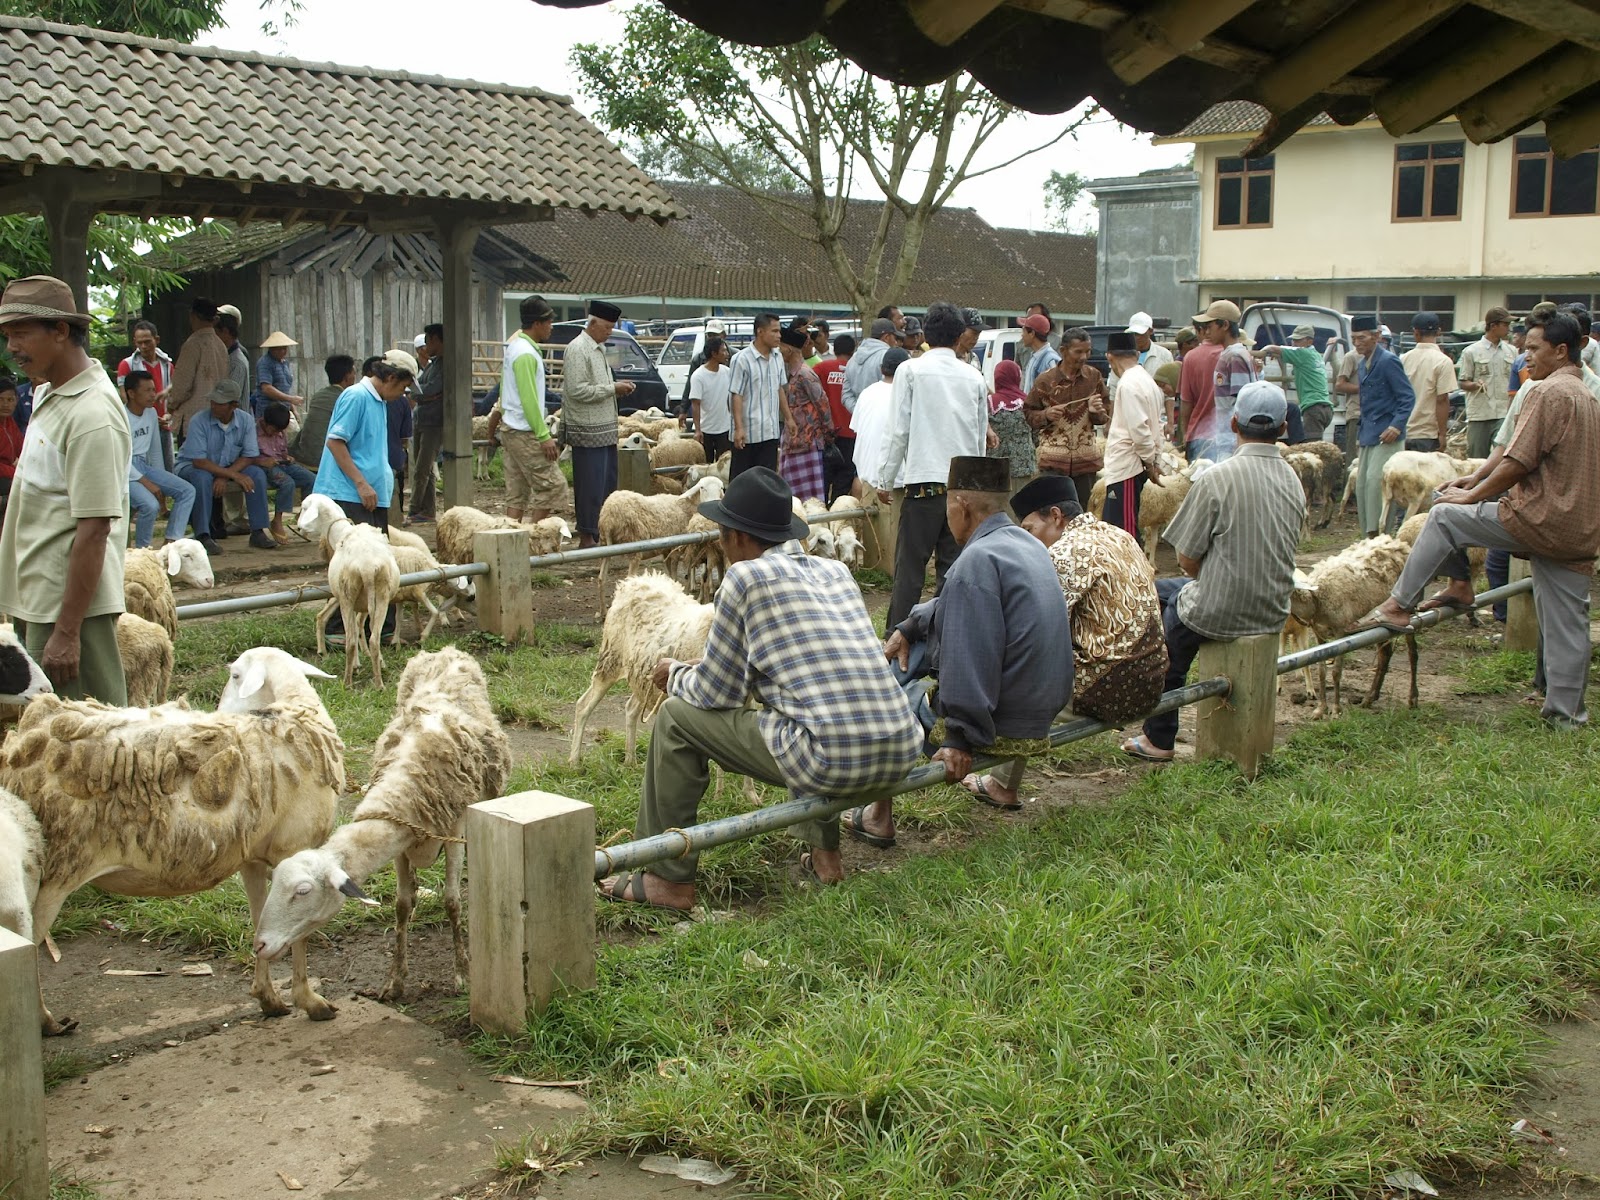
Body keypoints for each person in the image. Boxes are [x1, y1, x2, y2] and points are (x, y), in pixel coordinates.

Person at [599, 467, 923, 908]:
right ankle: (825, 859)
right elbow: (808, 669)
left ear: (736, 536)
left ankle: (666, 878)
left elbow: (718, 695)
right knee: (809, 705)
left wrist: (675, 674)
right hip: (899, 749)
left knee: (675, 717)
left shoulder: (743, 579)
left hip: (834, 760)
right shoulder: (836, 574)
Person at [1361, 314, 1598, 728]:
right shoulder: (1588, 396)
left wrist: (1470, 494)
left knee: (1445, 516)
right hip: (1578, 527)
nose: (1526, 356)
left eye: (1534, 349)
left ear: (1561, 351)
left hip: (1539, 518)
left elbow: (1518, 461)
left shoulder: (1548, 392)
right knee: (1568, 623)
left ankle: (1403, 603)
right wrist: (1477, 478)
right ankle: (1567, 717)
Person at [848, 456, 1072, 841]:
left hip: (1006, 723)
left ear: (960, 506)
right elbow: (954, 605)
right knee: (909, 652)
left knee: (883, 699)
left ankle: (878, 815)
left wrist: (957, 737)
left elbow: (972, 655)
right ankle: (879, 805)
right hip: (1042, 708)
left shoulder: (976, 561)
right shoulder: (1024, 544)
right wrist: (910, 625)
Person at [1122, 381, 1305, 762]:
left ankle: (1159, 737)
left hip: (1221, 609)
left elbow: (1187, 560)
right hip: (1273, 606)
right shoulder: (1293, 480)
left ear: (1234, 423)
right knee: (1159, 591)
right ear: (1283, 429)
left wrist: (1220, 572)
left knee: (1167, 639)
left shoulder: (1217, 478)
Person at [0, 275, 131, 703]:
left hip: (67, 608)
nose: (11, 347)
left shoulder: (92, 414)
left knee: (89, 745)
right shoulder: (48, 395)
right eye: (7, 335)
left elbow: (94, 530)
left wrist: (68, 631)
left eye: (20, 333)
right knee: (49, 746)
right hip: (40, 598)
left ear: (60, 331)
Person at [1012, 475, 1167, 728]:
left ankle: (992, 768)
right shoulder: (1121, 536)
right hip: (1152, 682)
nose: (1029, 540)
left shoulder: (1063, 552)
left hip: (1107, 691)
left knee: (1011, 696)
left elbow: (1036, 633)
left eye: (1029, 530)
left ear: (1055, 516)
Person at [877, 301, 994, 630]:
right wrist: (976, 493)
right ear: (960, 337)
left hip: (922, 485)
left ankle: (895, 640)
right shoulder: (973, 377)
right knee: (953, 571)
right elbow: (977, 440)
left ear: (925, 334)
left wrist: (885, 479)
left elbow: (898, 430)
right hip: (961, 489)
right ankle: (946, 640)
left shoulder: (911, 370)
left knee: (909, 571)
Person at [313, 349, 417, 644]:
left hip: (372, 494)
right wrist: (360, 483)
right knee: (352, 565)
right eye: (402, 386)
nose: (402, 394)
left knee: (379, 561)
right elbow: (335, 441)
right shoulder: (356, 396)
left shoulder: (380, 401)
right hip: (349, 494)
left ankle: (378, 629)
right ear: (391, 377)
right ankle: (337, 630)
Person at [488, 295, 568, 523]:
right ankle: (534, 536)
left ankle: (510, 538)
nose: (551, 327)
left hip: (510, 427)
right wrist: (543, 435)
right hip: (524, 430)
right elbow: (529, 399)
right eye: (549, 322)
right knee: (552, 486)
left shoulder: (516, 347)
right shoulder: (525, 354)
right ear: (537, 324)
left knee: (517, 491)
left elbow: (506, 390)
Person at [563, 300, 634, 547]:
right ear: (592, 324)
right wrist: (612, 388)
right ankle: (586, 534)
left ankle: (601, 531)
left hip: (604, 429)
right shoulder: (577, 349)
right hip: (587, 429)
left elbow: (597, 388)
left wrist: (615, 389)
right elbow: (577, 390)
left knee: (605, 484)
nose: (609, 332)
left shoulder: (598, 349)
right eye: (606, 327)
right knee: (590, 486)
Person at [176, 380, 277, 553]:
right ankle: (203, 534)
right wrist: (232, 474)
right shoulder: (199, 420)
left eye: (220, 403)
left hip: (229, 466)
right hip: (193, 466)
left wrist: (225, 475)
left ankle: (258, 531)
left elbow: (250, 455)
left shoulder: (245, 420)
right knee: (202, 478)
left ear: (233, 405)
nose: (214, 406)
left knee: (257, 475)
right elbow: (199, 461)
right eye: (213, 402)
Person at [1023, 326, 1108, 511]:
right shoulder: (1045, 381)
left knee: (1082, 514)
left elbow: (1104, 415)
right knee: (1054, 514)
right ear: (1063, 351)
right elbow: (1028, 414)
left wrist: (1095, 412)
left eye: (1088, 351)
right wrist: (1045, 415)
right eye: (1078, 352)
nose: (1084, 357)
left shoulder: (1094, 377)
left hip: (1085, 464)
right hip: (1053, 464)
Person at [1350, 314, 1415, 537]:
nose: (1358, 343)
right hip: (1369, 434)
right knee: (1362, 485)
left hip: (1388, 434)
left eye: (1362, 338)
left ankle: (1380, 534)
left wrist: (1396, 426)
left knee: (1378, 483)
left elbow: (1407, 397)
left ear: (1376, 337)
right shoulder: (1361, 365)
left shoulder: (1388, 361)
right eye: (1354, 339)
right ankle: (1367, 533)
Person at [1100, 330, 1166, 540]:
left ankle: (1134, 573)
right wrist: (1155, 458)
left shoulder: (1128, 384)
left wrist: (1149, 461)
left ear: (1110, 356)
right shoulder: (1147, 381)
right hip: (1131, 466)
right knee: (1117, 529)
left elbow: (1140, 429)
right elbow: (1157, 425)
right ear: (1137, 354)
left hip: (1127, 468)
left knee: (1124, 533)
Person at [124, 370, 195, 549]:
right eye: (147, 390)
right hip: (124, 468)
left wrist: (161, 480)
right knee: (150, 505)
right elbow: (121, 457)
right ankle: (143, 551)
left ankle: (171, 542)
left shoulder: (150, 414)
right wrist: (147, 483)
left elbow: (155, 452)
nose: (153, 395)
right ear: (131, 393)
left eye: (154, 389)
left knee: (187, 491)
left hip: (143, 465)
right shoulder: (121, 417)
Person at [728, 312, 790, 479]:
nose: (779, 336)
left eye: (779, 331)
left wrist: (789, 419)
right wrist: (739, 428)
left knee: (766, 482)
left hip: (770, 432)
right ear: (760, 332)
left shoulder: (778, 357)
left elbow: (779, 389)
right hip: (748, 434)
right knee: (742, 482)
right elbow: (736, 395)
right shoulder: (741, 359)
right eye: (774, 331)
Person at [777, 326, 832, 502]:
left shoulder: (805, 374)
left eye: (781, 346)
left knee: (810, 500)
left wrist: (827, 434)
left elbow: (822, 404)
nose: (778, 350)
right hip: (792, 443)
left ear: (789, 348)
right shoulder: (790, 374)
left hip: (807, 444)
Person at [849, 347, 909, 495]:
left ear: (882, 369)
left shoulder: (866, 393)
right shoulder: (906, 394)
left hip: (865, 478)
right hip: (895, 482)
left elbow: (857, 429)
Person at [1457, 306, 1515, 459]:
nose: (1508, 329)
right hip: (1480, 414)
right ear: (1493, 326)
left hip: (1504, 413)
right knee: (1477, 458)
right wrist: (1475, 385)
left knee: (1502, 457)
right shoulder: (1471, 352)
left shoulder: (1512, 351)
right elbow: (1463, 382)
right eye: (1505, 325)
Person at [117, 319, 175, 470]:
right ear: (134, 342)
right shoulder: (127, 364)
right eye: (139, 342)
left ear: (156, 340)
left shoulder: (167, 364)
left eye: (147, 342)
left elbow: (174, 392)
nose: (143, 346)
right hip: (139, 427)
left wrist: (169, 414)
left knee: (166, 468)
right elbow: (124, 395)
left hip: (163, 424)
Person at [165, 296, 228, 437]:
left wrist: (171, 405)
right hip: (216, 416)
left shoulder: (192, 344)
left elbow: (182, 386)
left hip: (193, 419)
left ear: (193, 316)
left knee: (192, 458)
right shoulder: (221, 345)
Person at [254, 401, 315, 544]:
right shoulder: (253, 432)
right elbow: (245, 456)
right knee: (287, 483)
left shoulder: (280, 431)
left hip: (281, 463)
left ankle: (304, 517)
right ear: (265, 422)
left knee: (311, 479)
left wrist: (286, 457)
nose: (277, 433)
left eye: (279, 431)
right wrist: (262, 461)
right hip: (264, 466)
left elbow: (282, 450)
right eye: (274, 430)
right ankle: (277, 520)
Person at [1259, 324, 1332, 441]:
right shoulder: (1316, 355)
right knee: (1315, 445)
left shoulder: (1303, 353)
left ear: (1309, 341)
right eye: (1293, 339)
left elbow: (1272, 348)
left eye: (1298, 340)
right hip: (1325, 406)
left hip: (1313, 406)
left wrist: (1262, 353)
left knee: (1312, 449)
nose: (1294, 342)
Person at [1208, 303, 1258, 459]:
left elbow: (1242, 402)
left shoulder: (1234, 357)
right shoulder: (1233, 354)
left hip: (1232, 442)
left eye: (1211, 326)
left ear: (1225, 325)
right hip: (1228, 437)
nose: (1207, 332)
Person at [1178, 304, 1228, 461]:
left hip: (1198, 435)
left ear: (1201, 330)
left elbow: (1186, 402)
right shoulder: (1233, 354)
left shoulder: (1191, 357)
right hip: (1227, 436)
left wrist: (1186, 433)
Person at [1401, 311, 1455, 453]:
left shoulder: (1403, 359)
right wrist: (1442, 434)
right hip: (1428, 434)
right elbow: (1442, 400)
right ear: (1439, 332)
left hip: (1402, 431)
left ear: (1415, 333)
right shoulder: (1443, 361)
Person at [407, 323, 445, 522]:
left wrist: (424, 395)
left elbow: (429, 389)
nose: (427, 345)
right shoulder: (433, 364)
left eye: (429, 340)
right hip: (423, 417)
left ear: (437, 340)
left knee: (422, 467)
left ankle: (414, 510)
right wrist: (425, 395)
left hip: (434, 421)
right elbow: (421, 388)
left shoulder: (445, 364)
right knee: (425, 468)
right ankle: (428, 510)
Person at [292, 354, 355, 470]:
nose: (355, 376)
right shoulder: (348, 399)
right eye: (353, 372)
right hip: (324, 460)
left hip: (303, 454)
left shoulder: (319, 395)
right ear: (347, 376)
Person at [817, 333, 856, 503]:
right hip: (851, 434)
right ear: (853, 351)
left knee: (824, 475)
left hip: (827, 434)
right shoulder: (856, 370)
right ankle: (837, 512)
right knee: (845, 477)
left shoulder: (822, 368)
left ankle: (822, 511)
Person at [986, 359, 1034, 491]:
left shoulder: (989, 402)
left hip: (995, 467)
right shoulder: (1028, 401)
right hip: (1024, 466)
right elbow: (1036, 433)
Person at [1108, 311, 1174, 405]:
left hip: (1157, 413)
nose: (1137, 337)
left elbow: (1169, 394)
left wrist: (1170, 419)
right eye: (1133, 333)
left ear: (1150, 331)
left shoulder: (1164, 355)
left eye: (1140, 333)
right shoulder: (1121, 357)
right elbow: (1114, 390)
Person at [689, 334, 734, 463]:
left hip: (725, 428)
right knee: (706, 464)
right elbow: (696, 404)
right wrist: (698, 430)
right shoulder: (698, 376)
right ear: (714, 353)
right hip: (706, 429)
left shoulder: (727, 372)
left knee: (724, 463)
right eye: (723, 351)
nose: (727, 354)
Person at [840, 317, 896, 416]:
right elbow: (891, 393)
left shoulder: (853, 359)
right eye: (894, 337)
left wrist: (860, 413)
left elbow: (846, 395)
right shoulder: (888, 356)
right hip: (883, 423)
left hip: (861, 425)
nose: (895, 342)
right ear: (886, 337)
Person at [252, 330, 301, 419]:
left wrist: (294, 410)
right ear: (271, 349)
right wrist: (290, 399)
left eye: (284, 348)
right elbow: (266, 388)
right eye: (279, 349)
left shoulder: (285, 363)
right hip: (268, 411)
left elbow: (285, 389)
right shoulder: (265, 363)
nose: (282, 351)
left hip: (283, 410)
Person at [215, 310, 250, 406]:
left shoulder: (236, 361)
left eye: (216, 332)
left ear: (225, 332)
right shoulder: (226, 356)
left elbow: (229, 397)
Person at [1018, 313, 1059, 393]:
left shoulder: (1051, 360)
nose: (1022, 335)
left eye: (1023, 331)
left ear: (1032, 334)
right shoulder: (1033, 357)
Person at [0, 376, 22, 514]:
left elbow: (23, 450)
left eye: (10, 400)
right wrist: (17, 473)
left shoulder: (10, 423)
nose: (5, 404)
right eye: (0, 399)